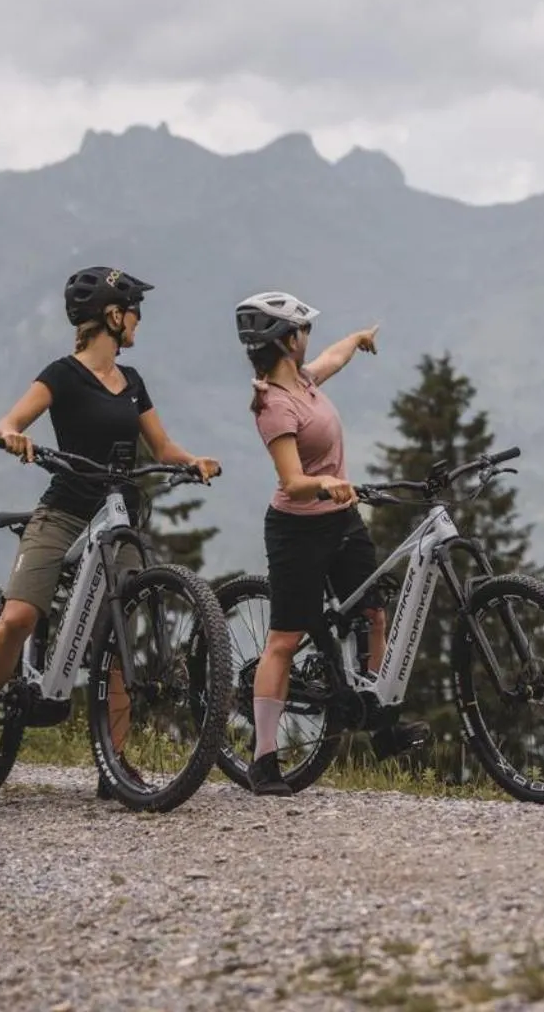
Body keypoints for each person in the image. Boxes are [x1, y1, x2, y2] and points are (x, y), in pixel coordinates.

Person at [0, 266, 221, 798]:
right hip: (66, 509)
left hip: (118, 515)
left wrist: (191, 461)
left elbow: (161, 445)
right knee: (19, 615)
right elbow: (9, 422)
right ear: (112, 316)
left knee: (119, 636)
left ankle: (114, 765)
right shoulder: (62, 374)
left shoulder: (133, 383)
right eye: (134, 313)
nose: (139, 323)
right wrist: (13, 437)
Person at [235, 290, 429, 796]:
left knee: (372, 613)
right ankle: (264, 760)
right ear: (284, 340)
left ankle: (382, 726)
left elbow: (332, 360)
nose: (309, 339)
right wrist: (325, 484)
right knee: (284, 640)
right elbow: (293, 479)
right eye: (303, 331)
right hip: (298, 530)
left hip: (343, 521)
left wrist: (357, 339)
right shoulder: (273, 405)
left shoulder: (304, 382)